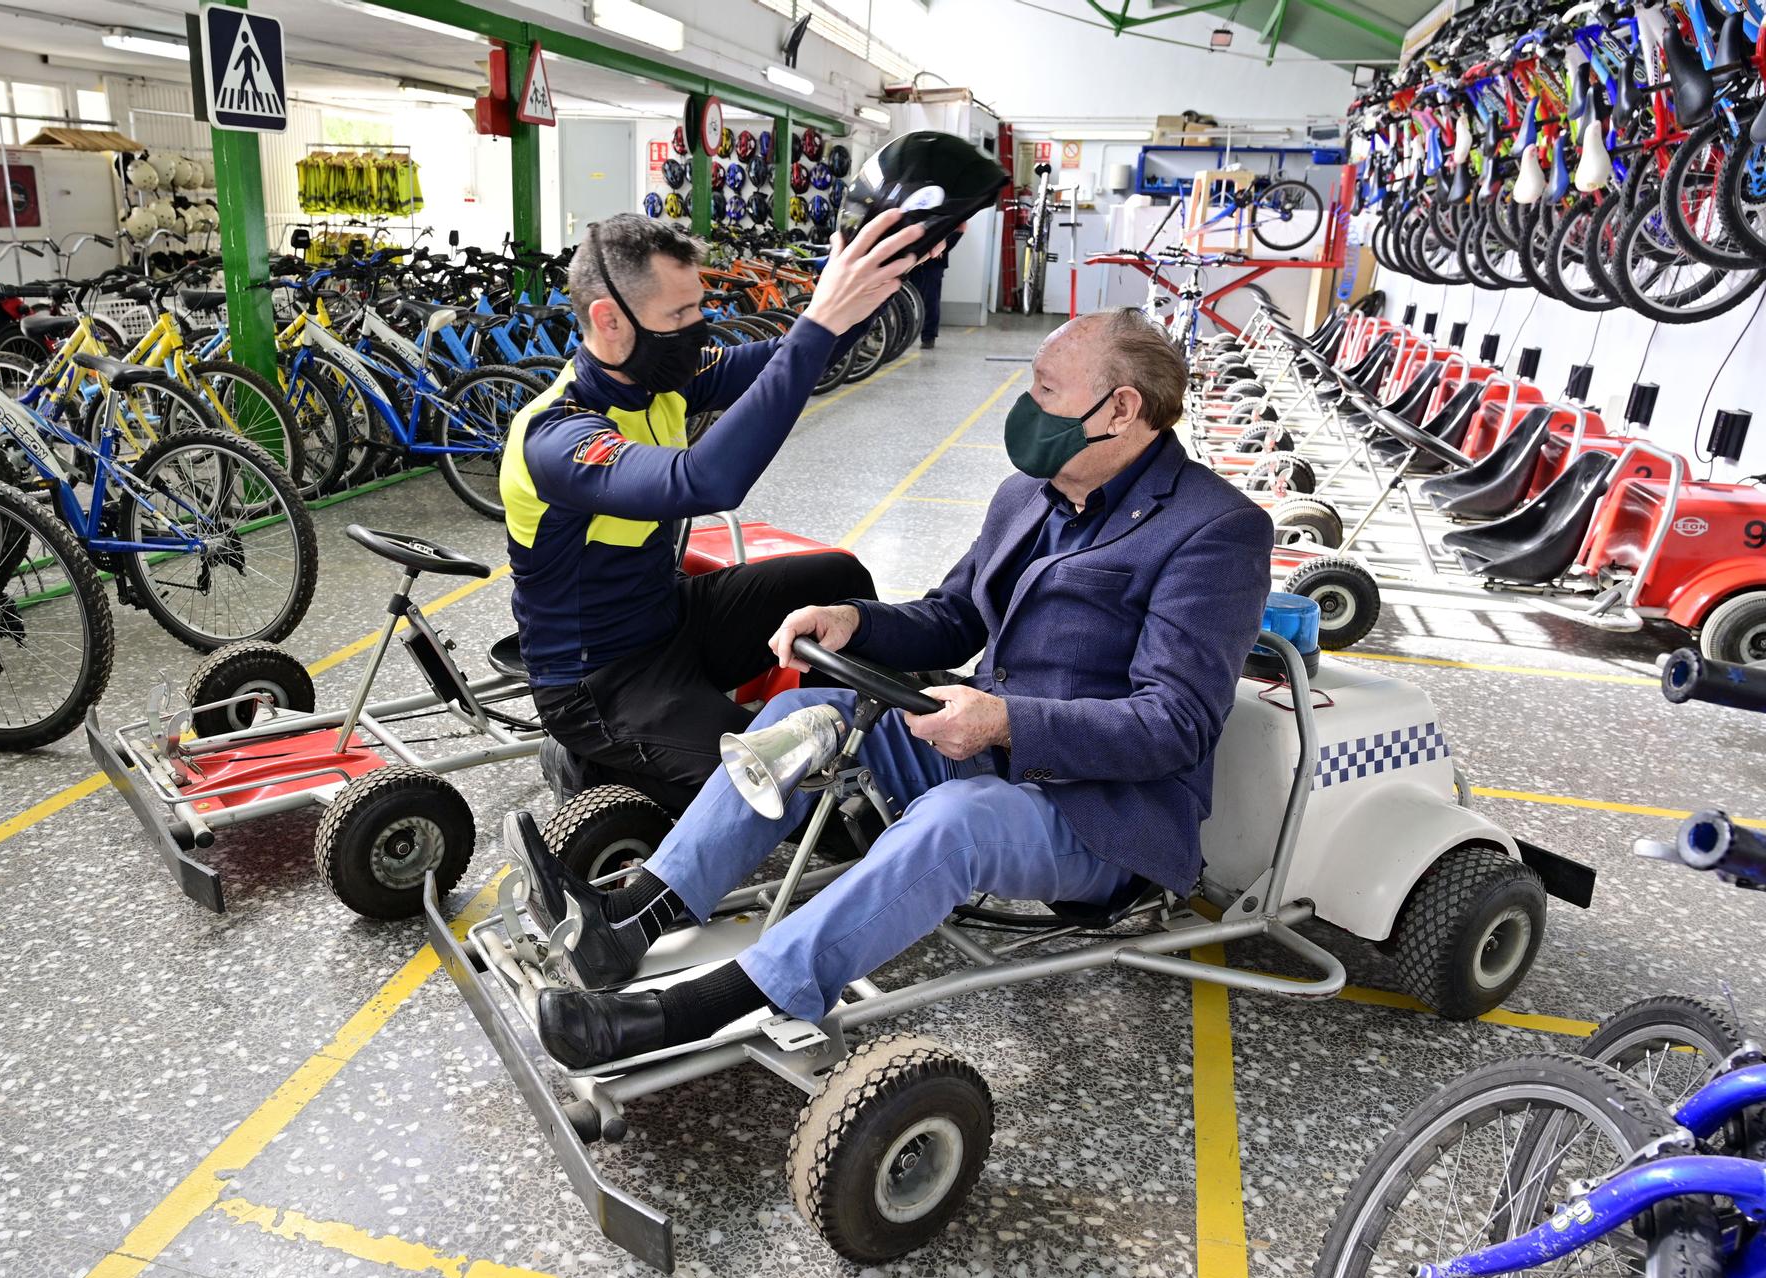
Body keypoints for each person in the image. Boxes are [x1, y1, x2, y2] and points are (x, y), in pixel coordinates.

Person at [506, 308, 1277, 1069]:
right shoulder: (1030, 493)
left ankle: (692, 1009)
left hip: (1104, 810)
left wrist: (1007, 720)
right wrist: (853, 620)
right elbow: (952, 618)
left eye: (1045, 390)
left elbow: (1176, 723)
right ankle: (637, 915)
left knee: (954, 821)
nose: (1026, 407)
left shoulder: (1214, 529)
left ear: (1122, 408)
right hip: (987, 746)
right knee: (805, 714)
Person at [500, 211, 937, 812]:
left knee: (837, 579)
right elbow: (705, 480)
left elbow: (793, 359)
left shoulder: (659, 377)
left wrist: (868, 285)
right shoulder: (556, 437)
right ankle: (600, 762)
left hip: (672, 620)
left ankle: (855, 720)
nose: (697, 331)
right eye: (678, 317)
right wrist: (819, 319)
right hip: (599, 681)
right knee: (795, 793)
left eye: (697, 310)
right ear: (609, 320)